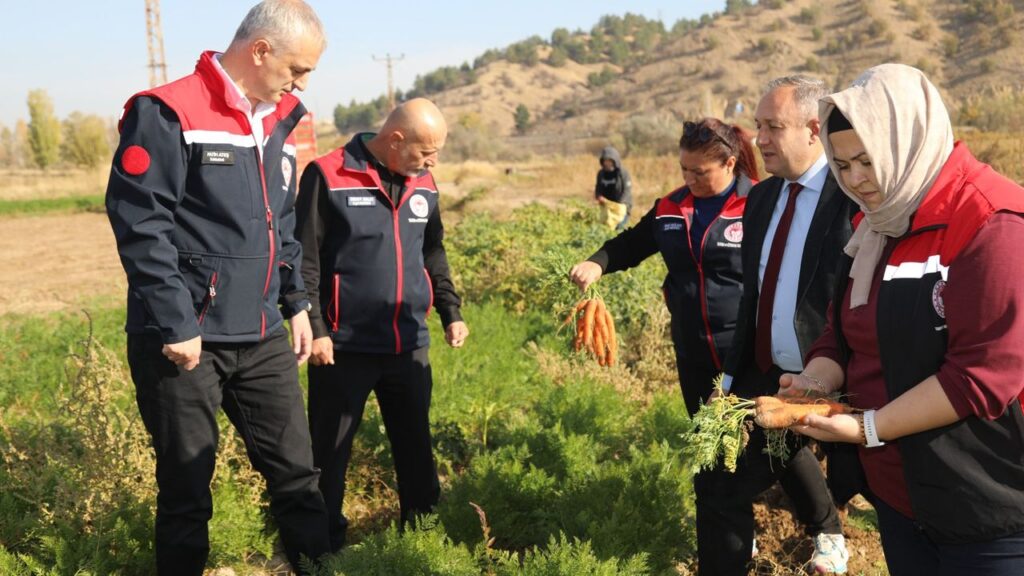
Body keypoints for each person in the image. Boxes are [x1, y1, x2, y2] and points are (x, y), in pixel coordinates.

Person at [104, 2, 329, 574]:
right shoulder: (169, 112)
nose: (302, 83)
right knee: (186, 489)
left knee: (298, 474)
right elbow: (141, 225)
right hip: (184, 342)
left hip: (260, 334)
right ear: (260, 51)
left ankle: (319, 567)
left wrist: (297, 303)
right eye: (297, 69)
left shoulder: (281, 118)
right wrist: (176, 323)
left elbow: (280, 221)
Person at [784, 63, 1024, 576]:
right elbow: (841, 332)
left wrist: (868, 427)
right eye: (842, 165)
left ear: (908, 139)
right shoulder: (877, 224)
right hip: (901, 499)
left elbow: (982, 376)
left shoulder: (989, 221)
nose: (856, 180)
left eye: (868, 160)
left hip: (990, 505)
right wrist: (814, 380)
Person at [294, 98, 469, 552]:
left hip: (408, 342)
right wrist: (316, 327)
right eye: (426, 152)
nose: (433, 162)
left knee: (415, 447)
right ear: (395, 140)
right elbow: (304, 261)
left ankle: (422, 540)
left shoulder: (424, 184)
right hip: (342, 347)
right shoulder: (328, 175)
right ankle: (323, 550)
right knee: (329, 456)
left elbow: (433, 251)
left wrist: (451, 310)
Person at [710, 75, 858, 575]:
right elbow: (751, 297)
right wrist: (728, 381)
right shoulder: (762, 199)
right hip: (765, 370)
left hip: (831, 377)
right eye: (758, 126)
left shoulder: (851, 196)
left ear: (815, 130)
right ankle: (742, 553)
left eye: (773, 126)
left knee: (850, 477)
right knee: (720, 471)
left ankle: (831, 533)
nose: (759, 140)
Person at [570, 118, 757, 416]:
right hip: (692, 352)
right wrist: (597, 263)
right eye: (684, 169)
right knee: (705, 444)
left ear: (729, 164)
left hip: (748, 353)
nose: (690, 179)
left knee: (759, 449)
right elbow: (632, 244)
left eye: (699, 172)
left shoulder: (759, 204)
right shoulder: (670, 208)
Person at [594, 145, 633, 231]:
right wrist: (599, 197)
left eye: (610, 161)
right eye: (605, 161)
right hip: (607, 208)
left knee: (618, 229)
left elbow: (627, 191)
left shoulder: (623, 173)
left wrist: (619, 205)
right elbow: (598, 188)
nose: (607, 163)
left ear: (615, 161)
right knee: (605, 230)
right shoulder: (601, 174)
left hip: (622, 208)